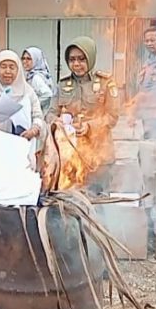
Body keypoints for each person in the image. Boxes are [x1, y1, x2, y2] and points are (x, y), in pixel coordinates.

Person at [45, 36, 119, 195]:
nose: (76, 64)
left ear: (90, 58)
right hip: (70, 153)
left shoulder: (106, 82)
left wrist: (89, 126)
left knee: (99, 201)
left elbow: (112, 117)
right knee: (72, 199)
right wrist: (56, 121)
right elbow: (50, 113)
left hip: (99, 154)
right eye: (72, 60)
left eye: (81, 59)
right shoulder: (63, 84)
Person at [0, 50, 45, 166]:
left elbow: (37, 115)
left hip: (21, 146)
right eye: (3, 67)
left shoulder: (27, 91)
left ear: (18, 70)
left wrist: (34, 130)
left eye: (12, 67)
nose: (7, 71)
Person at [21, 47, 54, 113]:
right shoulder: (33, 75)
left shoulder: (36, 77)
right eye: (23, 58)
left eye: (29, 59)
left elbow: (48, 94)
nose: (25, 61)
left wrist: (33, 104)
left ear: (36, 60)